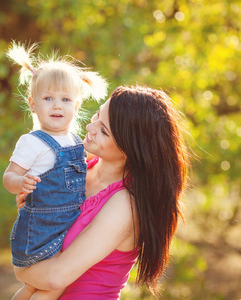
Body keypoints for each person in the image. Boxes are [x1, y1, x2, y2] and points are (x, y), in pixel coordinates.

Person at [14, 85, 189, 299]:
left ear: (130, 149)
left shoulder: (125, 204)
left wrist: (21, 268)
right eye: (97, 114)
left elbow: (55, 277)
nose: (90, 127)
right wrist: (32, 212)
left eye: (104, 130)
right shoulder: (78, 168)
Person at [3, 42, 108, 300]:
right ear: (32, 104)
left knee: (33, 287)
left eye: (65, 99)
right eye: (48, 99)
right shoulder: (32, 142)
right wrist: (21, 183)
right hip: (40, 229)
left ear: (76, 104)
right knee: (53, 285)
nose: (57, 106)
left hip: (66, 227)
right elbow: (9, 176)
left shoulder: (76, 142)